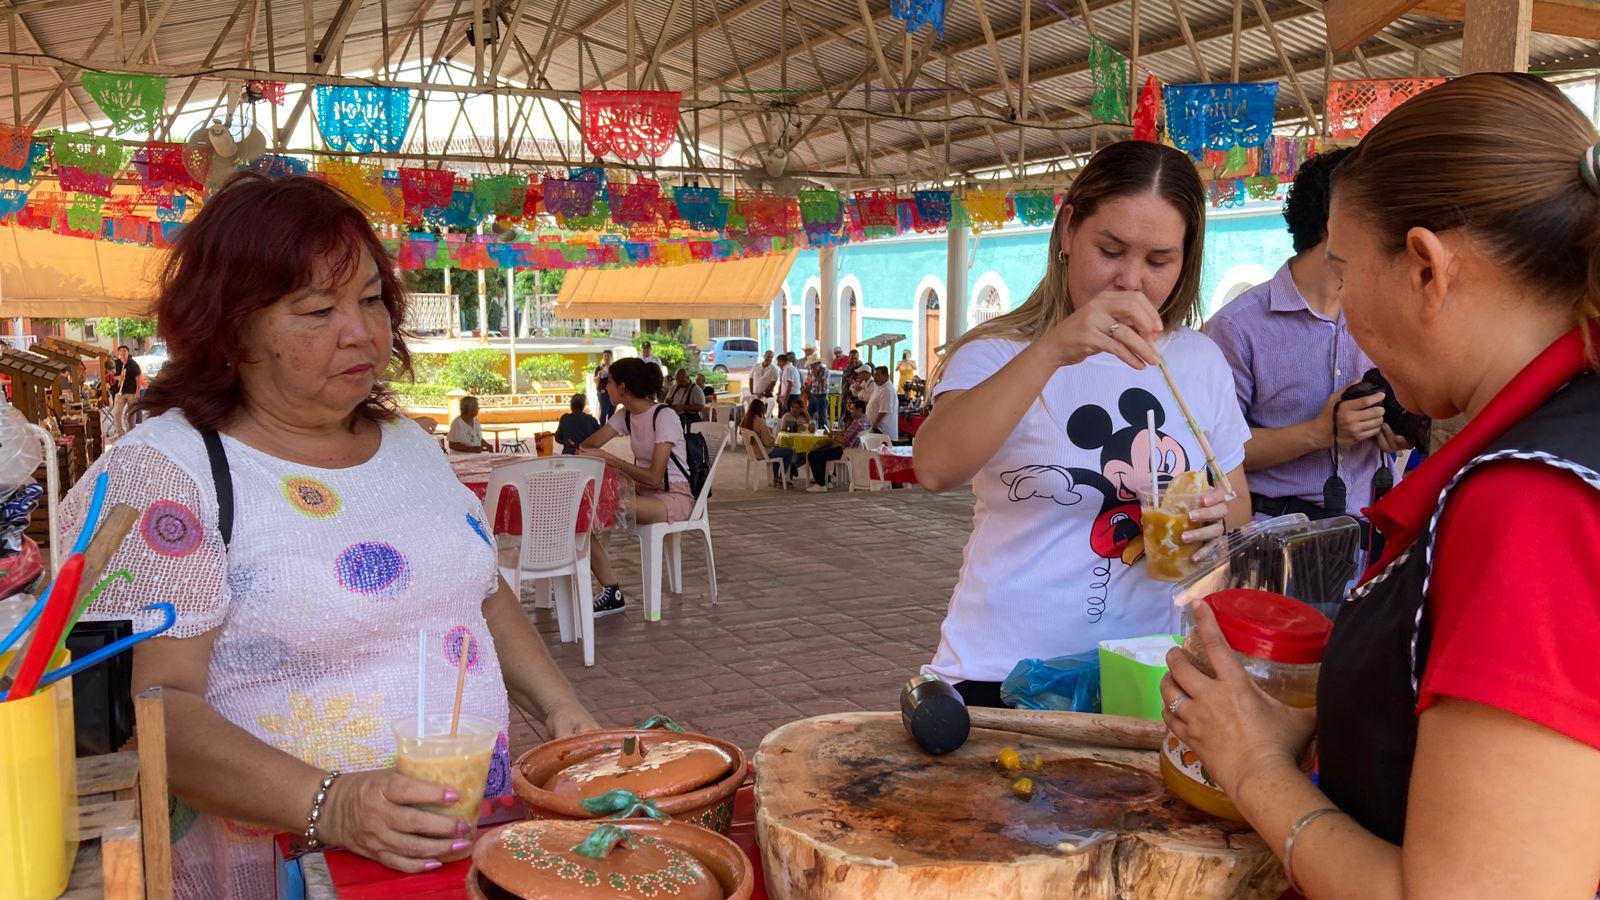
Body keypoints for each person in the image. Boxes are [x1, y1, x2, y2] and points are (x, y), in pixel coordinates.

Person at [61, 174, 598, 898]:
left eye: (372, 299)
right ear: (229, 328)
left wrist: (562, 714)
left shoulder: (407, 443)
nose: (363, 332)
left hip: (453, 850)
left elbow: (478, 592)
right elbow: (156, 708)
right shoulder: (168, 475)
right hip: (277, 870)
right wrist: (333, 803)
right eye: (317, 309)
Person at [1162, 74, 1600, 898]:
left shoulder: (1532, 506)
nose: (1343, 302)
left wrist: (1255, 770)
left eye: (1345, 268)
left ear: (1427, 269)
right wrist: (1320, 731)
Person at [913, 141, 1251, 709]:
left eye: (1158, 260)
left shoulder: (1197, 360)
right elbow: (933, 466)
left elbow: (1237, 499)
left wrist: (1214, 520)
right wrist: (1054, 349)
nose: (1130, 280)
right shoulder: (999, 353)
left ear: (1185, 260)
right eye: (1111, 250)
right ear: (1069, 230)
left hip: (1145, 674)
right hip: (1002, 675)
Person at [1204, 149, 1405, 524]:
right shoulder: (1237, 328)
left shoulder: (1387, 311)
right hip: (1281, 544)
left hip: (1376, 535)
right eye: (1383, 218)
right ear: (1337, 224)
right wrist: (1317, 433)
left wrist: (1395, 428)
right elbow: (1211, 452)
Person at [578, 358, 696, 617]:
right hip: (644, 494)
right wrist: (581, 446)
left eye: (608, 382)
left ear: (623, 387)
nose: (604, 386)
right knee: (580, 511)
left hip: (673, 496)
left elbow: (654, 478)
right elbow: (589, 445)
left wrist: (611, 461)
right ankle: (612, 590)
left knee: (599, 507)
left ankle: (610, 591)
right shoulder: (626, 416)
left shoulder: (664, 417)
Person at [804, 397, 871, 491]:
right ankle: (826, 480)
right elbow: (848, 433)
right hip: (855, 449)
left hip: (845, 451)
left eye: (852, 409)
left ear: (859, 410)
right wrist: (833, 433)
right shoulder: (867, 420)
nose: (850, 411)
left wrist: (833, 437)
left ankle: (820, 484)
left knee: (813, 454)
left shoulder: (857, 423)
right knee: (820, 450)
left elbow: (845, 441)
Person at [738, 398, 800, 485]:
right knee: (788, 451)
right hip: (763, 452)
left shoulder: (745, 419)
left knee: (779, 451)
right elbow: (768, 443)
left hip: (752, 452)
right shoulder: (760, 422)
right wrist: (772, 438)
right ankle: (781, 478)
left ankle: (776, 478)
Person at [108, 344, 141, 435]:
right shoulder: (116, 363)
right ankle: (119, 432)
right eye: (121, 351)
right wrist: (118, 378)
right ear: (118, 353)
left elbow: (137, 378)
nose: (122, 353)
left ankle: (131, 431)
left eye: (124, 351)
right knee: (117, 412)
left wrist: (138, 391)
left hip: (131, 392)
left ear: (128, 352)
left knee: (131, 413)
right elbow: (112, 376)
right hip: (120, 392)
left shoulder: (133, 364)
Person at [866, 365, 901, 442]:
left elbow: (884, 411)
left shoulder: (888, 390)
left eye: (878, 375)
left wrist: (874, 425)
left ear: (886, 376)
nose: (875, 378)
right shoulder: (880, 387)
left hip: (882, 431)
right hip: (877, 429)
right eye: (874, 375)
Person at [804, 359, 830, 426]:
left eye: (812, 365)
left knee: (822, 417)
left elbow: (823, 382)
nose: (811, 366)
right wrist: (805, 390)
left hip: (822, 396)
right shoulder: (810, 370)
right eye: (811, 365)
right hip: (813, 395)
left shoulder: (825, 370)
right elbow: (810, 383)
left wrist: (816, 374)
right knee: (808, 415)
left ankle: (825, 433)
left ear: (818, 363)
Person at [595, 350, 614, 424]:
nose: (606, 357)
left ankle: (610, 430)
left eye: (608, 356)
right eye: (605, 356)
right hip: (603, 393)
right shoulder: (599, 367)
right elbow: (595, 381)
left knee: (612, 412)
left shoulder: (614, 367)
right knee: (604, 411)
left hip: (612, 392)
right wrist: (599, 375)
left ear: (611, 357)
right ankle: (601, 428)